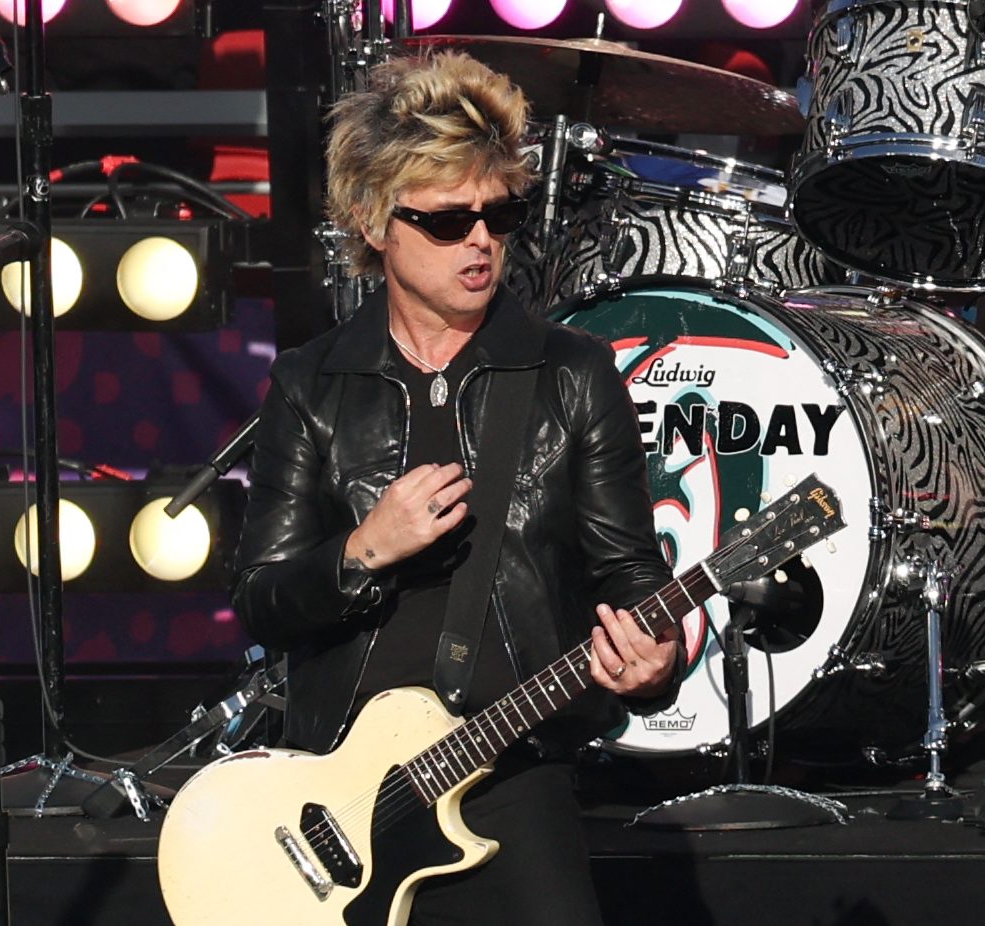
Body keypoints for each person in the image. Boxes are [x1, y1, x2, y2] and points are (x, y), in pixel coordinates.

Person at [231, 51, 683, 925]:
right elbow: (261, 602)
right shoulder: (312, 384)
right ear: (372, 220)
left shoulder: (571, 374)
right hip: (338, 797)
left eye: (499, 215)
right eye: (446, 221)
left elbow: (629, 574)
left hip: (512, 772)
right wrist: (365, 551)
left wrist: (656, 660)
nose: (480, 242)